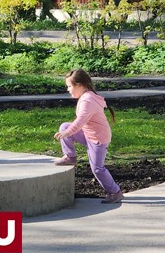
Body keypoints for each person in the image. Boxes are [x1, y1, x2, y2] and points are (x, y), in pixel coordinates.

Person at [53, 69, 124, 204]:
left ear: (79, 85)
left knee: (97, 168)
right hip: (88, 134)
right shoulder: (87, 96)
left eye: (69, 86)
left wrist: (67, 134)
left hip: (98, 139)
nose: (68, 90)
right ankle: (70, 157)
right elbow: (79, 123)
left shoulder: (88, 100)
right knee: (65, 126)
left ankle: (115, 192)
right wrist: (67, 131)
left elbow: (80, 121)